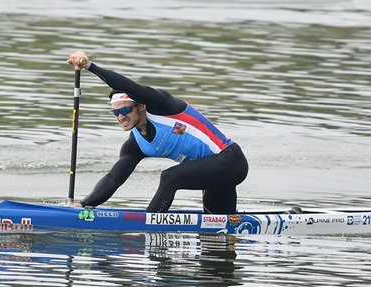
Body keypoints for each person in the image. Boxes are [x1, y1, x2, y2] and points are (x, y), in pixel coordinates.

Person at [67, 50, 248, 214]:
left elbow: (133, 88)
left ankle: (150, 223)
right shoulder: (135, 145)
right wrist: (84, 205)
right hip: (212, 175)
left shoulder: (163, 105)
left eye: (125, 110)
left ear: (142, 106)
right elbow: (114, 178)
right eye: (116, 112)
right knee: (218, 233)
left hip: (231, 160)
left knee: (170, 176)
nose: (120, 117)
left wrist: (90, 67)